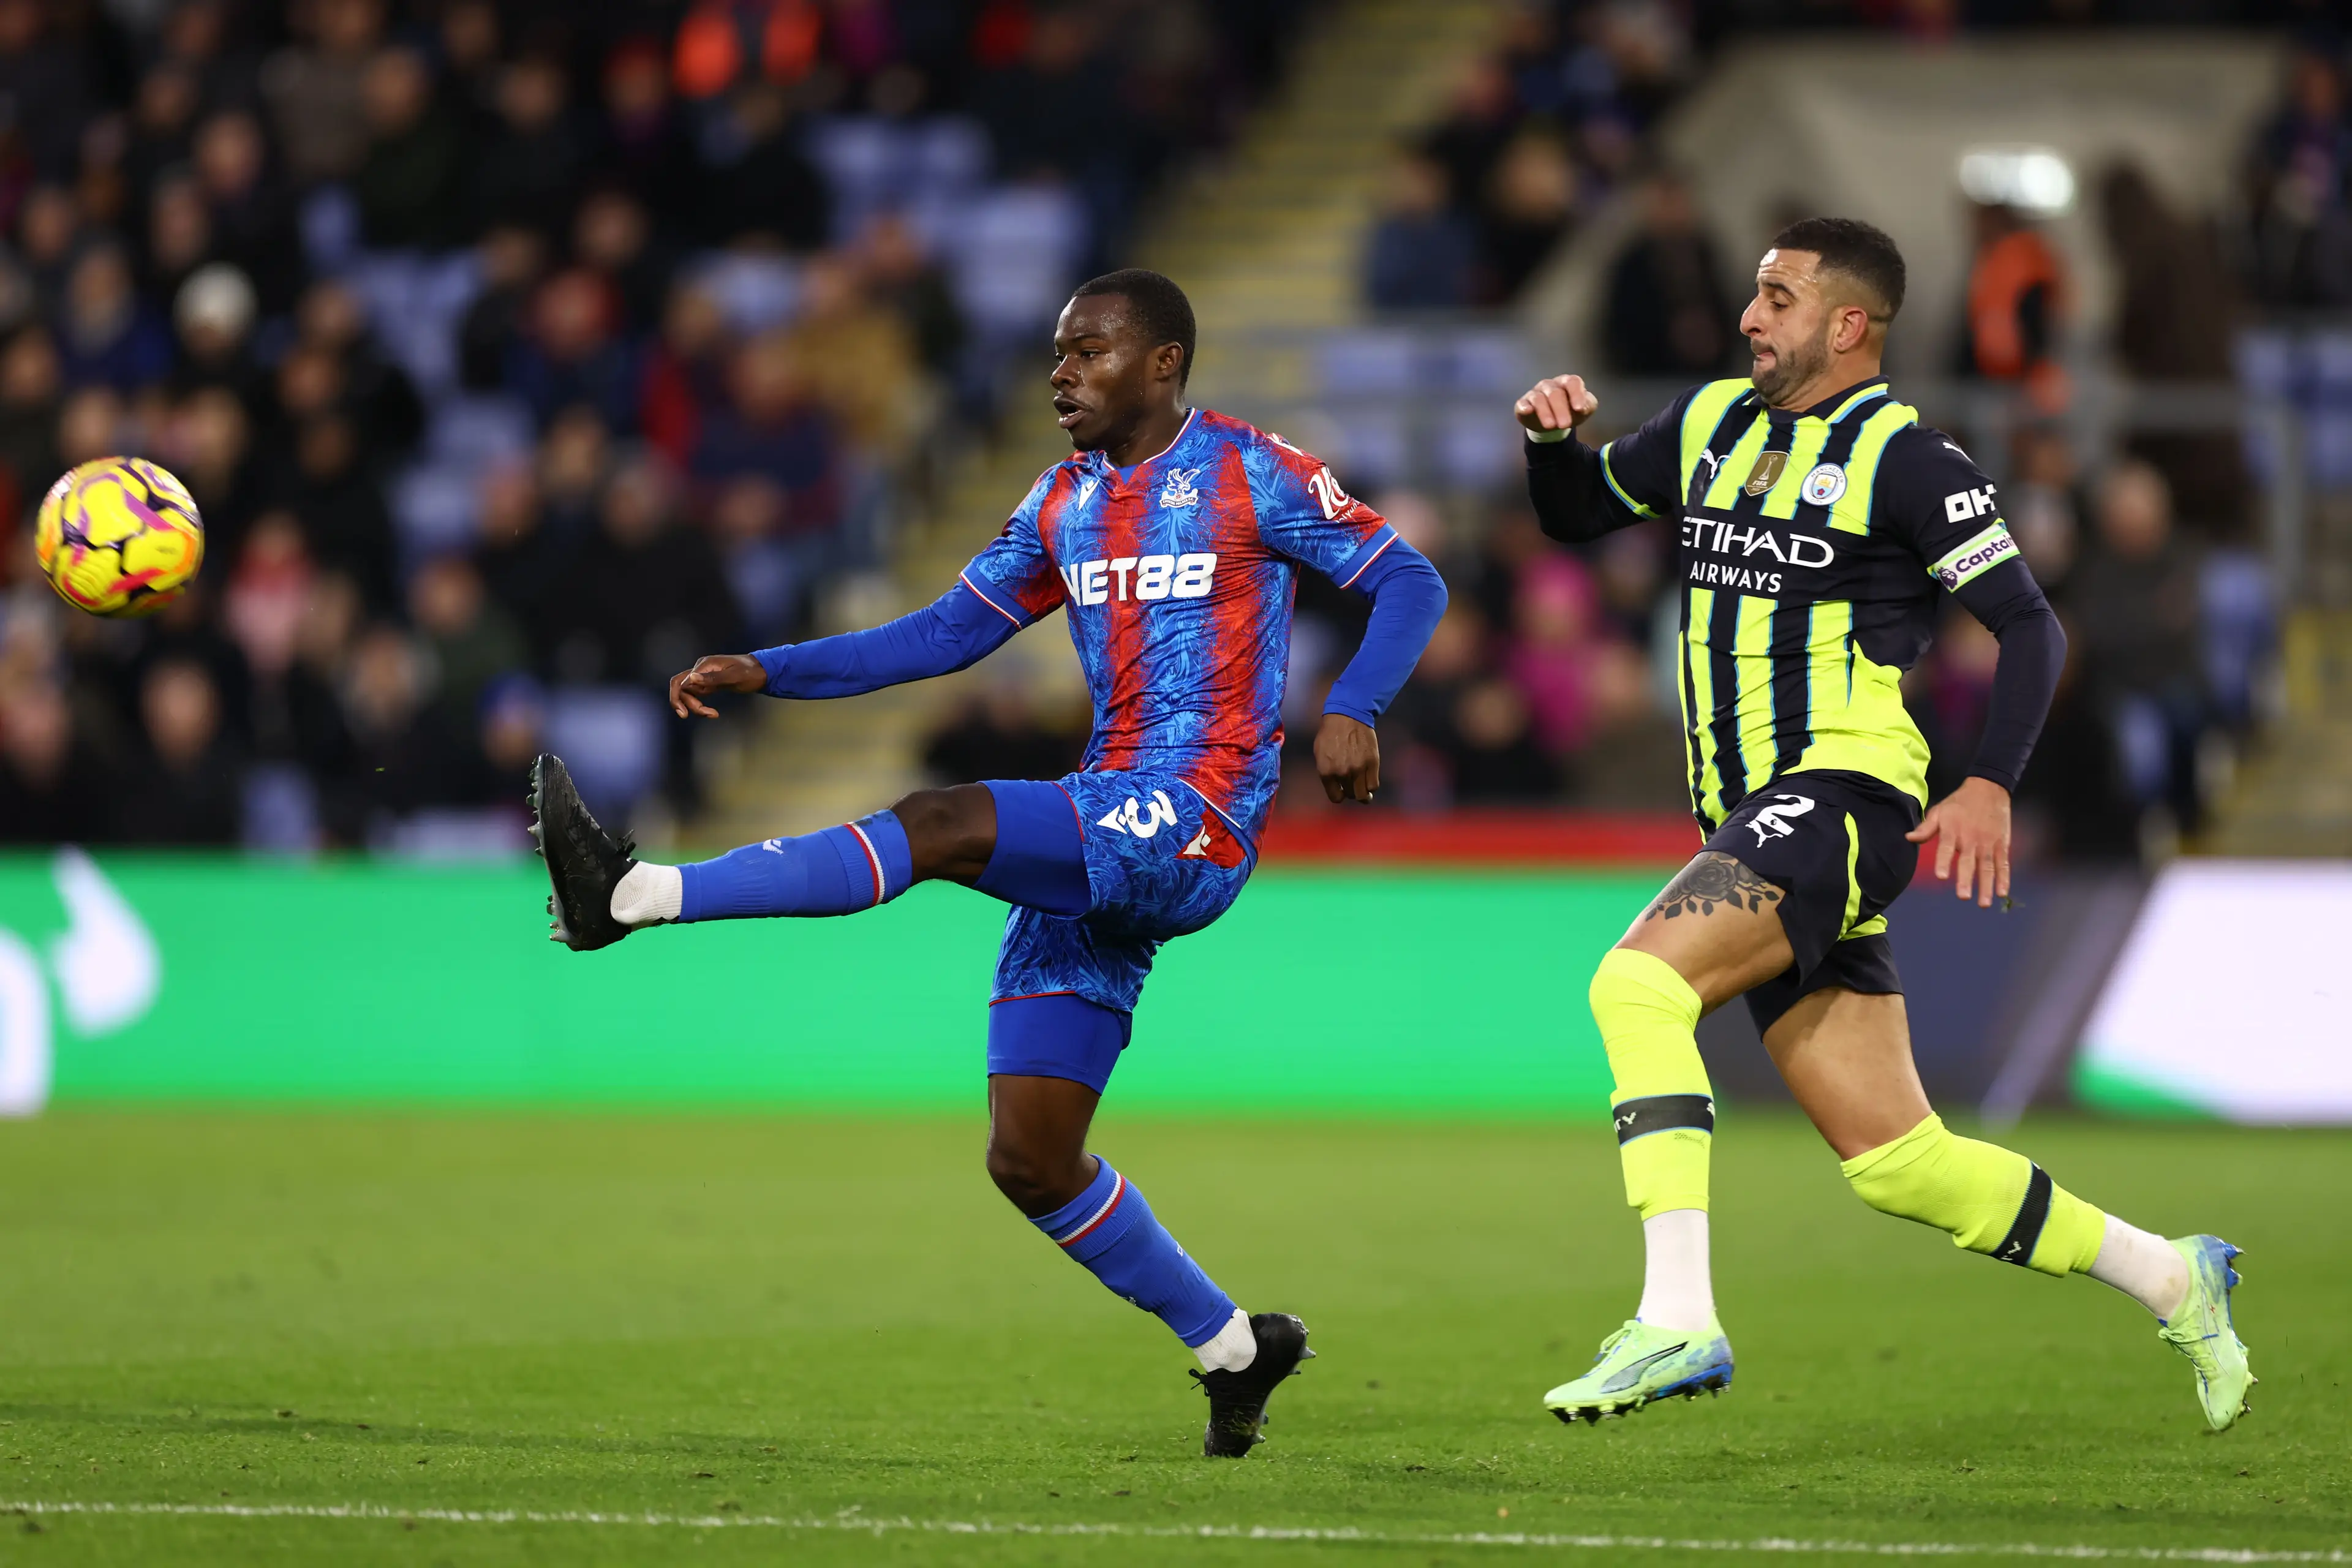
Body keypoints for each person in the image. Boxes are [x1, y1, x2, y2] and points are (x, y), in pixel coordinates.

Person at [530, 268, 1447, 1455]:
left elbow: (1407, 577)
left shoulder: (1248, 470)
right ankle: (1234, 1345)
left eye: (1091, 352)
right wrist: (774, 666)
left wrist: (1358, 701)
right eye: (1058, 352)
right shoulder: (1063, 501)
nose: (1062, 373)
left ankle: (634, 895)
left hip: (1196, 817)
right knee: (1029, 1155)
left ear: (1164, 364)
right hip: (1102, 818)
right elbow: (945, 634)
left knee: (945, 820)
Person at [1512, 217, 2252, 1433]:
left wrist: (1990, 780)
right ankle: (2177, 1274)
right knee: (1900, 1160)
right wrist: (1554, 448)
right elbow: (1585, 512)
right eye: (1753, 292)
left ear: (1849, 326)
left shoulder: (1911, 461)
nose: (1750, 315)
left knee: (1635, 990)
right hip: (1755, 815)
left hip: (1842, 794)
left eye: (1778, 297)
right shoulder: (1708, 424)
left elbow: (2032, 625)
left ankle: (1678, 1316)